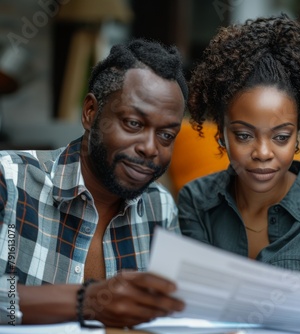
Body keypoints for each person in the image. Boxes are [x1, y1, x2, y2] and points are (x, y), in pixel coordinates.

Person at [0, 39, 187, 327]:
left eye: (166, 136)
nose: (150, 148)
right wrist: (87, 301)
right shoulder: (10, 180)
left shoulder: (159, 207)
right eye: (134, 124)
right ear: (90, 112)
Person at [178, 14, 300, 275]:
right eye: (244, 135)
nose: (263, 153)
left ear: (296, 139)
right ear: (222, 135)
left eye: (281, 137)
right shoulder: (196, 201)